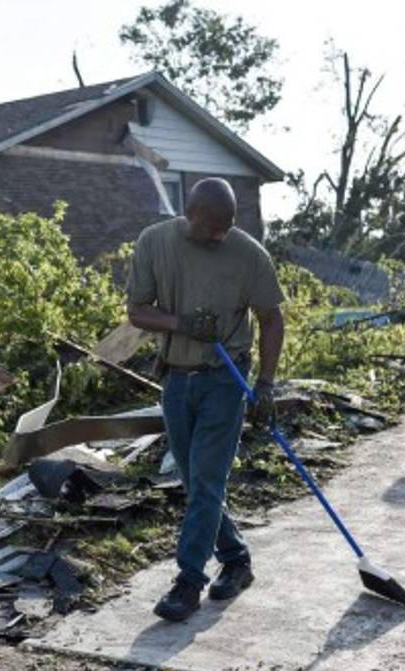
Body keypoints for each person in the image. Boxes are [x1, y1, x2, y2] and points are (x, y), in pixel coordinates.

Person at [125, 177, 285, 621]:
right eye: (212, 226)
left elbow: (271, 319)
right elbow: (137, 311)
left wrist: (266, 384)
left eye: (227, 226)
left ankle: (188, 582)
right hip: (176, 379)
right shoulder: (154, 242)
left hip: (225, 379)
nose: (220, 234)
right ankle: (236, 559)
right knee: (196, 483)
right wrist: (182, 323)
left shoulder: (248, 254)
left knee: (208, 481)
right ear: (190, 212)